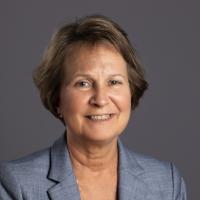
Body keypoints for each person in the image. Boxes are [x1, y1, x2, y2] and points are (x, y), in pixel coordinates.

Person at [0, 15, 187, 200]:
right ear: (57, 99)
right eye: (83, 83)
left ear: (131, 92)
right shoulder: (17, 183)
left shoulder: (166, 183)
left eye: (114, 82)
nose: (101, 99)